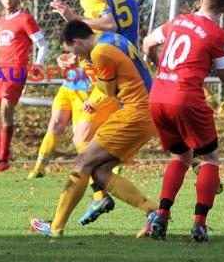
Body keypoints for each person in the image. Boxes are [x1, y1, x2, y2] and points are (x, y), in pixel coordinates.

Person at [28, 0, 220, 226]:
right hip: (129, 68)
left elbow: (108, 24)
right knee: (96, 159)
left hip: (120, 83)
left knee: (82, 142)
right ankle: (147, 200)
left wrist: (75, 19)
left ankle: (78, 211)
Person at [30, 21, 159, 238]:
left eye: (74, 50)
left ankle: (55, 228)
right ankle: (152, 211)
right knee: (100, 171)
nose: (76, 56)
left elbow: (105, 90)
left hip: (135, 113)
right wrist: (81, 63)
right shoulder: (109, 38)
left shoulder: (100, 52)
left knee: (83, 162)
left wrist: (90, 97)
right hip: (146, 110)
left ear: (78, 41)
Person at [142, 0, 224, 242]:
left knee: (181, 158)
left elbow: (147, 43)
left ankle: (162, 217)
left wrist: (162, 69)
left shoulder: (178, 21)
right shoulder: (216, 35)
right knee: (210, 159)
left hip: (158, 96)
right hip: (185, 99)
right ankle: (199, 224)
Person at [0, 0, 48, 172]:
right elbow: (1, 52)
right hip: (0, 71)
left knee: (5, 111)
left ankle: (3, 156)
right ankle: (1, 153)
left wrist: (37, 65)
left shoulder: (25, 19)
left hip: (15, 70)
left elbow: (42, 45)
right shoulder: (1, 21)